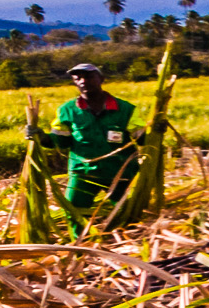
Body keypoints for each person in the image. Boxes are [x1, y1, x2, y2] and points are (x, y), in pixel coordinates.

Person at [39, 62, 139, 228]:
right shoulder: (67, 111)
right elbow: (60, 141)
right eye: (78, 77)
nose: (83, 80)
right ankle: (80, 248)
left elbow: (142, 137)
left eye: (89, 76)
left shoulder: (125, 109)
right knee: (74, 212)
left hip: (121, 172)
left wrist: (156, 128)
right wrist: (40, 137)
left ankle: (126, 246)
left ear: (101, 79)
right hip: (84, 172)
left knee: (129, 214)